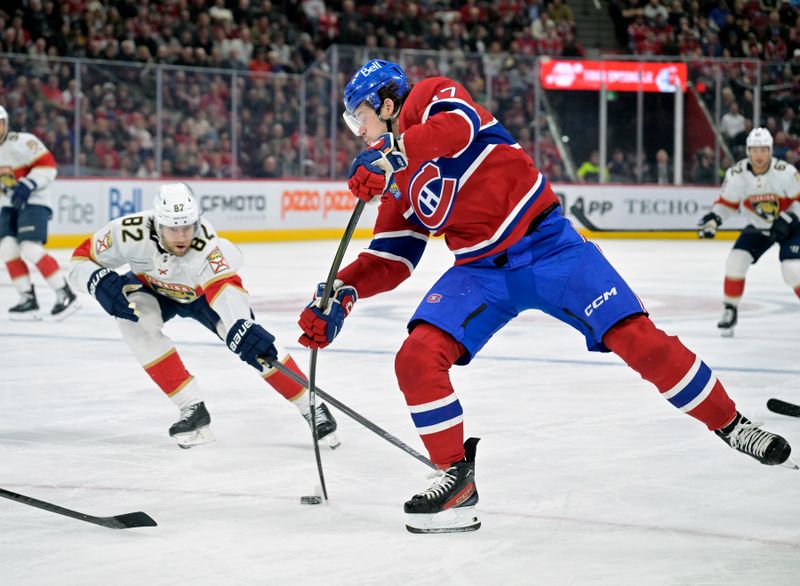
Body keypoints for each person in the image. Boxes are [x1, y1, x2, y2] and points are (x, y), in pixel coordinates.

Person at [298, 59, 795, 534]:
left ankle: (731, 424)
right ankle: (455, 478)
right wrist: (342, 291)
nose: (355, 131)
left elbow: (459, 130)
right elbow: (393, 256)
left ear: (386, 105)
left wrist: (393, 155)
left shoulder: (429, 98)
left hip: (551, 248)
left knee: (637, 340)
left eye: (357, 117)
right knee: (416, 358)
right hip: (480, 270)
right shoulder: (394, 180)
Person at [68, 183, 339, 449]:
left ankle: (311, 406)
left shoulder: (208, 247)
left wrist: (241, 324)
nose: (182, 235)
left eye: (187, 226)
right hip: (152, 289)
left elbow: (225, 287)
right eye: (173, 228)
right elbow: (80, 259)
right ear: (156, 224)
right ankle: (192, 410)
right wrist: (95, 279)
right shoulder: (127, 232)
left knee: (255, 345)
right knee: (133, 321)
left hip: (203, 296)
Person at [697, 127, 800, 336]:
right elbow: (727, 204)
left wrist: (789, 218)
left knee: (792, 270)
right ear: (748, 151)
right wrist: (714, 219)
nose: (759, 155)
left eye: (763, 150)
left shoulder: (785, 172)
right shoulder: (737, 174)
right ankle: (729, 310)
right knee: (736, 260)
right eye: (755, 150)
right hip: (760, 226)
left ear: (770, 151)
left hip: (792, 226)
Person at [0, 105, 79, 320]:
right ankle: (27, 299)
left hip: (35, 201)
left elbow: (48, 166)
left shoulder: (23, 141)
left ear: (6, 123)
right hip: (7, 205)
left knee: (30, 247)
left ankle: (65, 293)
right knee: (8, 249)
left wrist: (27, 184)